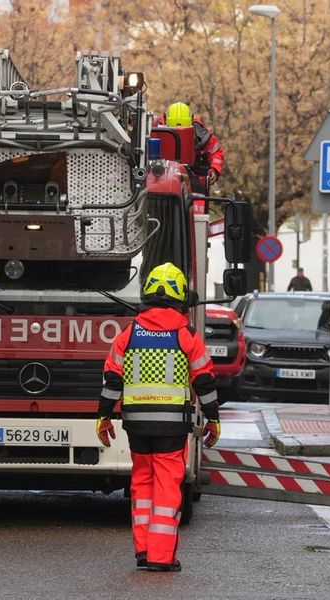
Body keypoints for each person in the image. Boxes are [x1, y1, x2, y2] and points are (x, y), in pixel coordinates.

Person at [95, 262, 221, 572]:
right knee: (167, 487)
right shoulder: (185, 334)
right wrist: (212, 418)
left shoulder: (129, 334)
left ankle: (142, 550)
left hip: (136, 425)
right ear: (179, 296)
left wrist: (103, 417)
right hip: (171, 426)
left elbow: (112, 379)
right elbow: (203, 380)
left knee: (142, 482)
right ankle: (161, 556)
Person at [154, 102, 225, 190]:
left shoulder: (201, 135)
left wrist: (214, 169)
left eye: (184, 132)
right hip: (161, 174)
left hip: (194, 177)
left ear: (192, 123)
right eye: (174, 131)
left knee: (197, 200)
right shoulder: (155, 130)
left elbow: (216, 152)